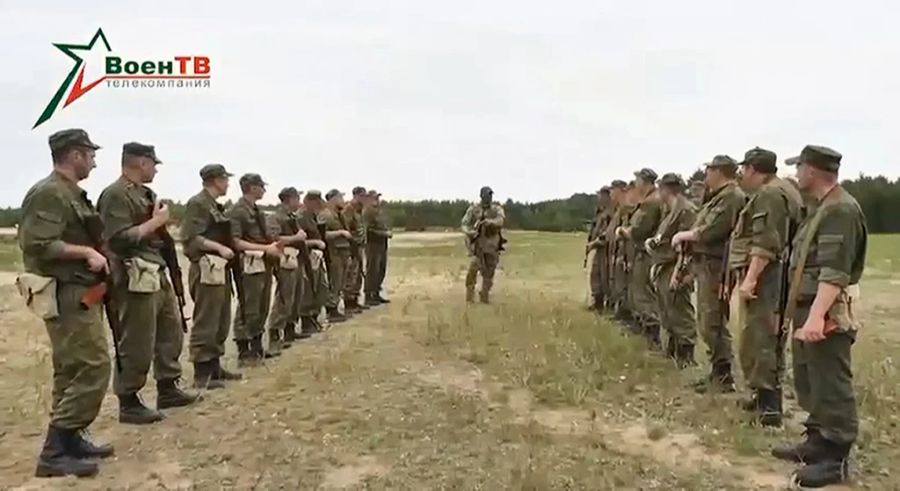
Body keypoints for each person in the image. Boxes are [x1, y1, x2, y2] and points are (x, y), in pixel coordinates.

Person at [18, 129, 112, 478]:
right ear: (74, 155)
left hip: (80, 291)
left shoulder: (69, 194)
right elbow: (38, 244)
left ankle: (71, 439)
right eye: (89, 154)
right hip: (66, 292)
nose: (93, 161)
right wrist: (85, 251)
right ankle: (54, 450)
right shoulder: (49, 193)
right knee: (93, 365)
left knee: (73, 367)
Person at [771, 145, 867, 488]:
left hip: (825, 311)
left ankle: (835, 459)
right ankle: (817, 441)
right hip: (810, 307)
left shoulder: (840, 210)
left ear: (812, 171)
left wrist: (815, 317)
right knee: (811, 378)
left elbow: (834, 271)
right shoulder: (821, 208)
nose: (796, 174)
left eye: (800, 168)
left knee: (831, 381)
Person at [97, 143, 197, 425]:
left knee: (171, 330)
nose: (154, 169)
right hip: (134, 275)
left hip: (156, 270)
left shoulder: (145, 194)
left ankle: (168, 386)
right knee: (137, 340)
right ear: (141, 162)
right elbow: (117, 239)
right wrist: (156, 223)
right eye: (153, 164)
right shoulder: (116, 195)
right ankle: (129, 400)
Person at [729, 147, 802, 427]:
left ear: (753, 169)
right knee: (761, 336)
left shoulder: (770, 194)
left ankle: (770, 408)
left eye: (744, 169)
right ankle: (762, 396)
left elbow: (766, 243)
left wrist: (750, 279)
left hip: (769, 276)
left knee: (762, 336)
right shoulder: (783, 189)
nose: (742, 175)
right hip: (777, 274)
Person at [672, 155, 746, 393]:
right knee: (707, 320)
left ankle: (724, 375)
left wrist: (686, 236)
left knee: (712, 320)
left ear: (720, 171)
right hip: (707, 264)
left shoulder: (732, 197)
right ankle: (718, 371)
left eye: (709, 170)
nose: (706, 175)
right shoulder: (718, 197)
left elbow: (713, 230)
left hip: (718, 267)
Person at [180, 164, 243, 389]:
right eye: (225, 179)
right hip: (207, 267)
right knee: (206, 319)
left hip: (218, 268)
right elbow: (190, 237)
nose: (227, 183)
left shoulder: (214, 205)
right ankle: (202, 372)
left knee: (221, 318)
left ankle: (214, 366)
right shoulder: (198, 203)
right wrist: (218, 248)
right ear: (216, 180)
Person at [228, 173, 282, 366]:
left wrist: (274, 247)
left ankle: (257, 346)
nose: (264, 190)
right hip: (249, 262)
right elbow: (235, 241)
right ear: (251, 187)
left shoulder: (256, 210)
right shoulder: (238, 211)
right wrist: (264, 249)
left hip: (264, 261)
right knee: (248, 305)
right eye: (261, 186)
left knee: (262, 304)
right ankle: (244, 350)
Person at [647, 173, 697, 366]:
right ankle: (674, 349)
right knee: (668, 310)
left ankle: (686, 356)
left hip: (676, 265)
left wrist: (680, 271)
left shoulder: (686, 210)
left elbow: (687, 246)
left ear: (666, 188)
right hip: (665, 265)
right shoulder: (671, 210)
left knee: (680, 311)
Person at [617, 168, 664, 347]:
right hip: (647, 252)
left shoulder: (651, 202)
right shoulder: (652, 200)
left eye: (637, 180)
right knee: (643, 293)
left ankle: (652, 335)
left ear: (644, 181)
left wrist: (623, 231)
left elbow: (638, 230)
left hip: (646, 254)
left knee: (644, 294)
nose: (635, 184)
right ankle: (648, 330)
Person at [265, 187, 308, 354]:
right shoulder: (276, 217)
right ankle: (275, 333)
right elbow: (274, 238)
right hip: (285, 259)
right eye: (297, 198)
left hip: (295, 258)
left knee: (297, 294)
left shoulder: (292, 217)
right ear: (289, 199)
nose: (299, 201)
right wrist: (295, 238)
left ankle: (290, 328)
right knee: (285, 295)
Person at [461, 186, 506, 304]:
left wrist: (490, 222)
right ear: (481, 196)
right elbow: (464, 223)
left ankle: (484, 295)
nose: (489, 197)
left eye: (491, 195)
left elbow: (500, 221)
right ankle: (469, 297)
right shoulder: (473, 209)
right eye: (487, 195)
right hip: (478, 247)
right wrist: (469, 232)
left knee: (489, 274)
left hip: (492, 246)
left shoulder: (496, 209)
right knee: (473, 270)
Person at [297, 190, 330, 333]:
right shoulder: (301, 217)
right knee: (308, 289)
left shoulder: (313, 216)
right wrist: (315, 242)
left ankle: (314, 317)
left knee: (321, 287)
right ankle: (306, 320)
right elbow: (300, 239)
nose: (319, 204)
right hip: (306, 256)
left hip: (316, 256)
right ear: (308, 201)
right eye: (316, 202)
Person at [319, 189, 353, 323]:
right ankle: (331, 309)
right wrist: (340, 233)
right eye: (340, 198)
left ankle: (336, 307)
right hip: (333, 253)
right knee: (335, 280)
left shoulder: (339, 215)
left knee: (340, 281)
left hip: (343, 251)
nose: (343, 201)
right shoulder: (325, 215)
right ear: (332, 199)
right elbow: (322, 234)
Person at [606, 180, 631, 322]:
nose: (611, 193)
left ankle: (625, 315)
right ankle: (620, 312)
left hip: (624, 251)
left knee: (623, 285)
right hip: (616, 250)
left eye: (613, 190)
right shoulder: (619, 208)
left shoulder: (626, 207)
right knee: (617, 283)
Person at [585, 187, 613, 312]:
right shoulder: (599, 212)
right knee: (594, 274)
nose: (599, 198)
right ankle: (596, 300)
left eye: (601, 195)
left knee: (602, 275)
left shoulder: (610, 213)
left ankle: (600, 302)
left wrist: (595, 243)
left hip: (603, 247)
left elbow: (606, 233)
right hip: (596, 246)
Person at [342, 186, 369, 313]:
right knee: (351, 274)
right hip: (352, 246)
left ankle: (355, 299)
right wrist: (352, 242)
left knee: (358, 274)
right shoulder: (349, 209)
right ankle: (349, 302)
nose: (365, 198)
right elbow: (346, 227)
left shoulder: (360, 210)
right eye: (363, 196)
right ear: (356, 195)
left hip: (359, 245)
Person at [364, 189, 392, 305]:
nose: (377, 200)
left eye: (377, 197)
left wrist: (386, 232)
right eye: (374, 197)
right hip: (373, 244)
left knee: (381, 269)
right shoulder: (367, 212)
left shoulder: (378, 211)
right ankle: (369, 295)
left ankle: (376, 292)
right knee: (372, 269)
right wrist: (383, 233)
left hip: (382, 244)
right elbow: (368, 230)